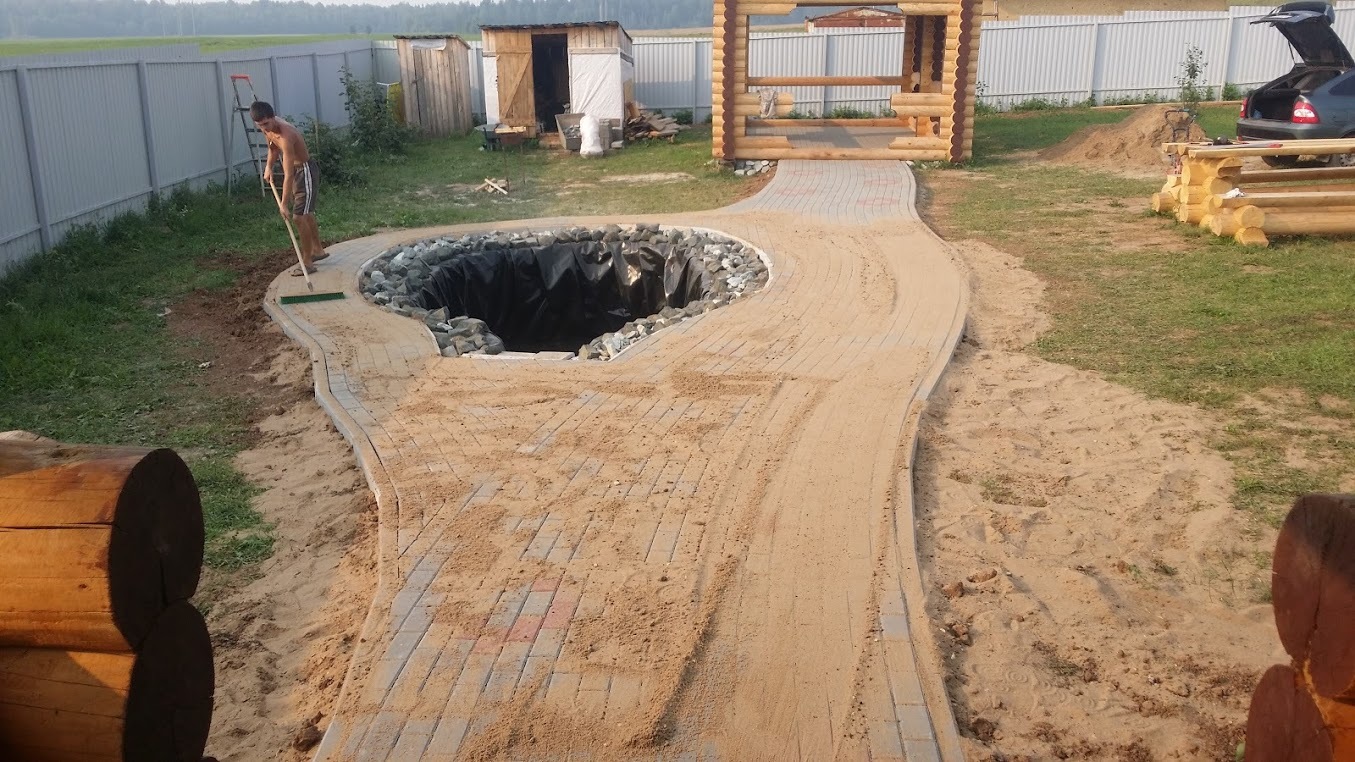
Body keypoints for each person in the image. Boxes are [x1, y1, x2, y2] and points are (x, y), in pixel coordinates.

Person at [249, 101, 327, 276]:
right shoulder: (267, 128)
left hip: (304, 171)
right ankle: (318, 250)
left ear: (273, 117)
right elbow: (272, 148)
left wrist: (283, 204)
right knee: (305, 212)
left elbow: (288, 174)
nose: (264, 128)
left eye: (266, 124)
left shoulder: (286, 135)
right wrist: (268, 167)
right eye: (260, 125)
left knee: (299, 217)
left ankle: (307, 262)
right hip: (296, 172)